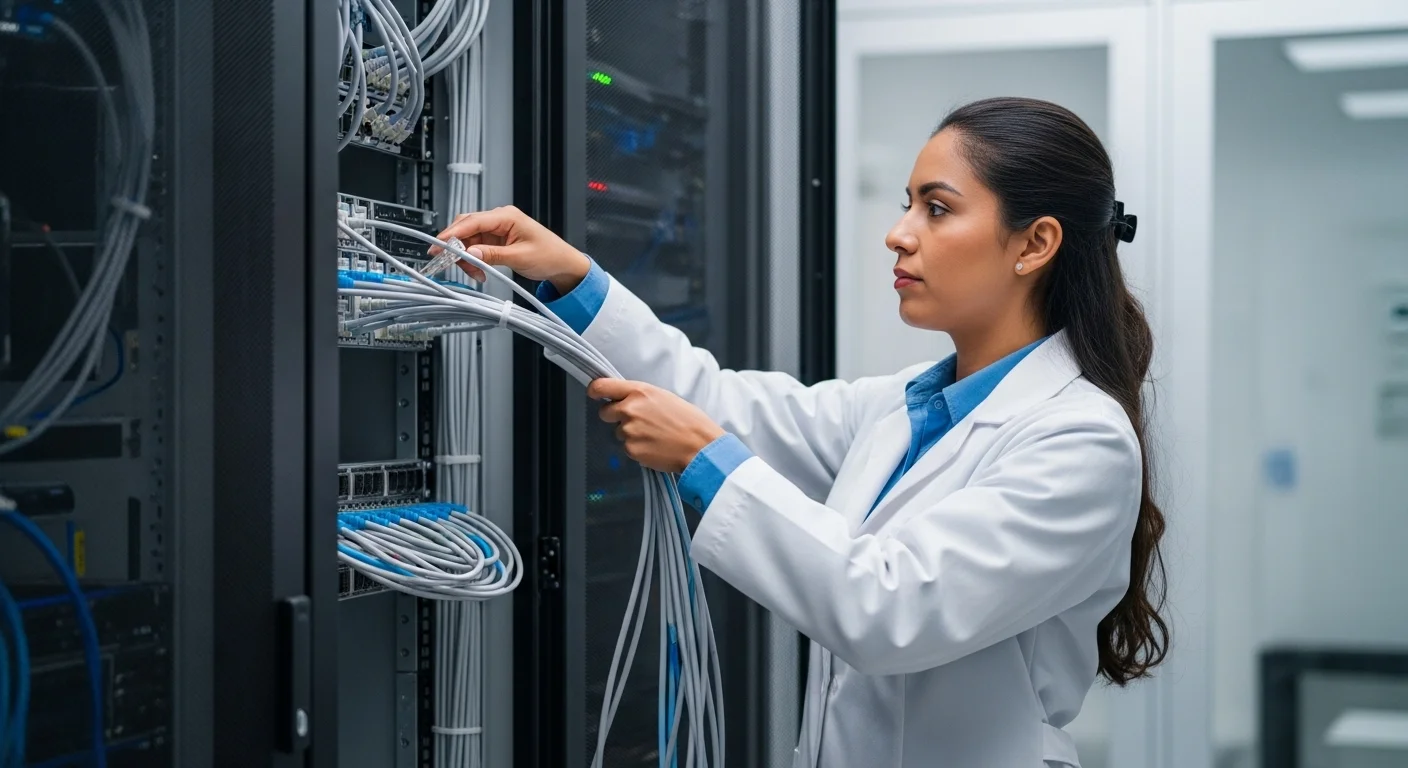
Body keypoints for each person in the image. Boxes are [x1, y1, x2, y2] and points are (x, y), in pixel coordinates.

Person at [436, 96, 1168, 768]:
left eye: (937, 209)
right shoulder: (904, 406)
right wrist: (576, 279)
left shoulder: (1081, 441)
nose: (899, 234)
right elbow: (718, 403)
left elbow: (891, 607)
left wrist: (704, 457)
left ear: (1035, 243)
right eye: (908, 204)